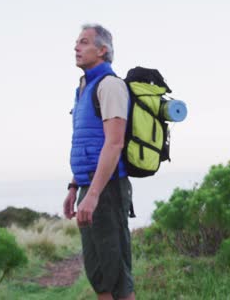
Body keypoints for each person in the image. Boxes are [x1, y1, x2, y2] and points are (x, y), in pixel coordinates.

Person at [63, 24, 135, 300]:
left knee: (117, 277)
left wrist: (92, 195)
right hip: (87, 186)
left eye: (83, 42)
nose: (76, 47)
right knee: (100, 276)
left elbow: (114, 143)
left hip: (107, 188)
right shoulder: (83, 89)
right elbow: (84, 143)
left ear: (102, 50)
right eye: (76, 42)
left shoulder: (110, 86)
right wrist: (74, 187)